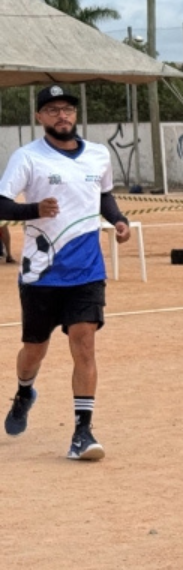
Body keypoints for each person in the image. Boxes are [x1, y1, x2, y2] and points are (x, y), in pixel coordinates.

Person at [0, 85, 131, 461]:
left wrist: (118, 221)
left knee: (84, 343)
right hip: (41, 273)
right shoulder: (28, 158)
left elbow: (104, 195)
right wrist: (33, 209)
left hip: (87, 269)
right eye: (54, 109)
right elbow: (1, 202)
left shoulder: (98, 156)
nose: (63, 115)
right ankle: (25, 391)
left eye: (69, 109)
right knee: (34, 351)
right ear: (40, 117)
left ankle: (82, 432)